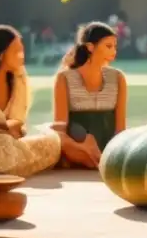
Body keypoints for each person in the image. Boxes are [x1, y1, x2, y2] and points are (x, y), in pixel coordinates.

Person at [0, 25, 61, 179]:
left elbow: (18, 119)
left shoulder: (19, 75)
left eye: (22, 50)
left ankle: (13, 164)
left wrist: (9, 128)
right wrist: (9, 128)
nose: (22, 56)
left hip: (13, 139)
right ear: (1, 54)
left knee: (53, 142)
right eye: (17, 52)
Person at [53, 21, 128, 169]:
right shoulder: (64, 78)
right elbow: (60, 129)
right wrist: (80, 148)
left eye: (115, 46)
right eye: (108, 46)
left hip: (110, 147)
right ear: (90, 47)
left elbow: (120, 129)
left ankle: (102, 160)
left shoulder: (118, 78)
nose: (114, 51)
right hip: (77, 147)